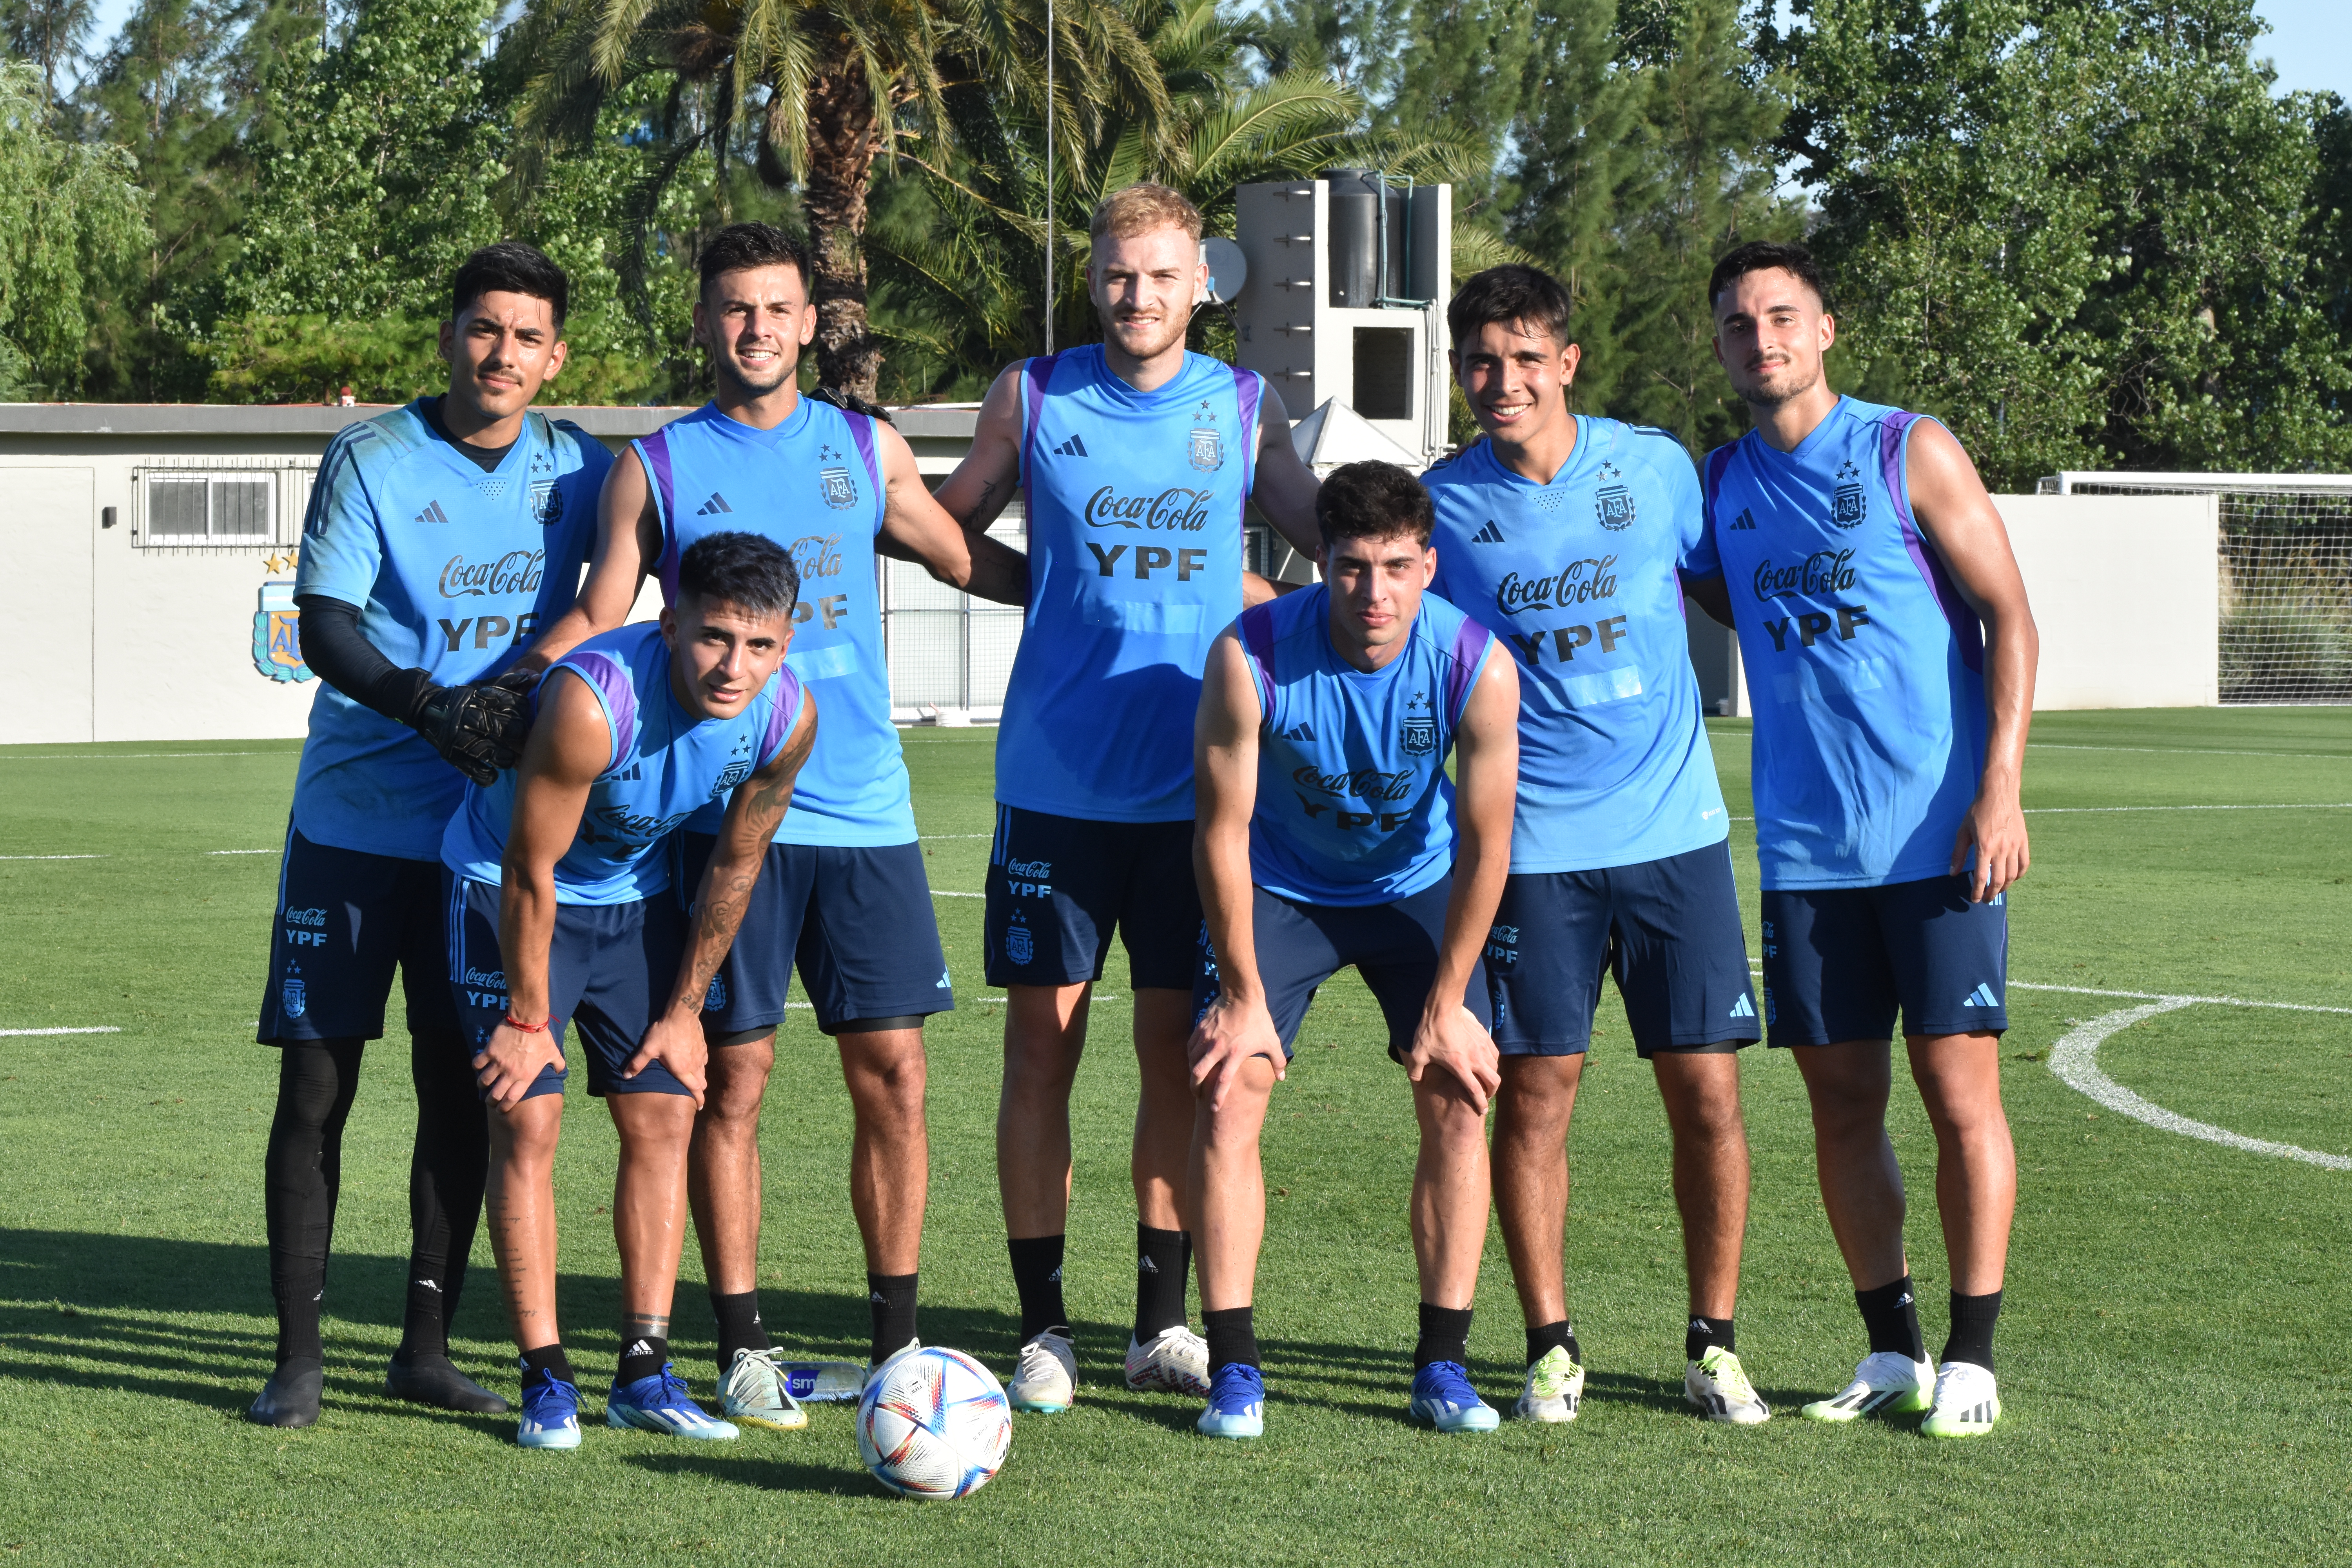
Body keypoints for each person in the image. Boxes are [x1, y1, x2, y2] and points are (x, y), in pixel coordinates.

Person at [524, 222, 1028, 1429]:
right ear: (704, 322)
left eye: (777, 309)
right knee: (728, 1081)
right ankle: (742, 1344)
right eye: (734, 309)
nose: (756, 328)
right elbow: (602, 613)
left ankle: (898, 1349)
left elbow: (962, 557)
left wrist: (1106, 589)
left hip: (863, 807)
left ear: (812, 324)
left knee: (894, 1078)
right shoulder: (656, 465)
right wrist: (500, 700)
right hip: (723, 808)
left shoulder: (865, 447)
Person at [932, 182, 1328, 1412]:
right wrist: (1031, 584)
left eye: (1161, 276)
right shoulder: (1033, 394)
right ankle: (1043, 1324)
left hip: (1197, 794)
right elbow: (948, 527)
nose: (1136, 295)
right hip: (1054, 788)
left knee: (1176, 1057)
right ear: (1091, 275)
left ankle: (1162, 1322)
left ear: (1200, 284)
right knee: (1041, 1050)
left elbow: (1323, 543)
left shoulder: (1246, 405)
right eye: (1116, 273)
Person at [247, 241, 610, 1429]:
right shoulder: (371, 456)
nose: (501, 353)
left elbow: (619, 589)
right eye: (483, 328)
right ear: (450, 335)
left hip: (483, 847)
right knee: (317, 1088)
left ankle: (423, 1346)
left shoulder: (583, 471)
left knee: (463, 1095)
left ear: (555, 358)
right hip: (353, 825)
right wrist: (436, 709)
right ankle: (298, 1361)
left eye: (526, 337)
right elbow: (327, 625)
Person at [1684, 239, 2037, 1439]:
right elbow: (1725, 598)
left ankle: (1976, 1356)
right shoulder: (1721, 481)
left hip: (1942, 842)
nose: (1761, 339)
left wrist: (2001, 789)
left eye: (1783, 316)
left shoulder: (1906, 448)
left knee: (1957, 1094)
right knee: (1841, 1104)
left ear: (1826, 329)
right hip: (1807, 851)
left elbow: (2011, 615)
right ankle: (1893, 1350)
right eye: (1739, 324)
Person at [1422, 265, 1769, 1426]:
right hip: (1533, 854)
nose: (1503, 381)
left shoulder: (1658, 468)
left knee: (1708, 1098)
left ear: (1568, 362)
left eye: (1526, 358)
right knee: (1536, 1100)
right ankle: (1551, 1346)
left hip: (1677, 837)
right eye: (1481, 361)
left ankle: (1712, 1344)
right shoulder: (1445, 508)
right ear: (1459, 370)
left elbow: (1730, 593)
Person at [444, 530, 817, 1450]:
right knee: (527, 1115)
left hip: (632, 902)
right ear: (669, 621)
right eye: (715, 637)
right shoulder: (590, 699)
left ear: (787, 641)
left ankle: (643, 1372)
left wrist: (686, 1010)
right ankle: (545, 1376)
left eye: (760, 644)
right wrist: (530, 1022)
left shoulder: (788, 717)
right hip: (510, 893)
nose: (736, 667)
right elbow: (531, 866)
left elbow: (737, 862)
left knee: (666, 1111)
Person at [1185, 461, 1519, 1439]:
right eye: (1351, 567)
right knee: (1229, 1081)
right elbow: (1218, 831)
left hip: (1414, 885)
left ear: (1429, 566)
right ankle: (1235, 1366)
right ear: (1317, 563)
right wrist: (1244, 994)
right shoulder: (1249, 655)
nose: (1374, 593)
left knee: (1460, 1089)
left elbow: (1490, 844)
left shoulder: (1475, 663)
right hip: (1282, 885)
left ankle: (1442, 1365)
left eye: (1397, 567)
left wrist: (1449, 998)